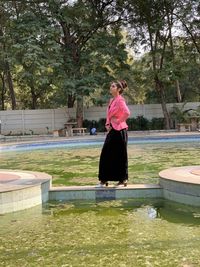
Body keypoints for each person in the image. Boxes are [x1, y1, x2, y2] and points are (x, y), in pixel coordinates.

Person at [97, 80, 130, 187]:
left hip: (120, 131)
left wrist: (119, 120)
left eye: (113, 86)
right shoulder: (112, 100)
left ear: (119, 89)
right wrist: (107, 124)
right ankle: (103, 179)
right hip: (112, 131)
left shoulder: (120, 100)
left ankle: (122, 180)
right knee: (105, 154)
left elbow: (127, 113)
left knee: (120, 155)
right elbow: (109, 114)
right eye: (110, 86)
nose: (110, 88)